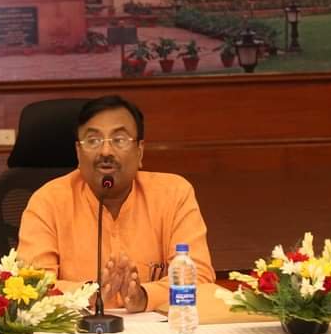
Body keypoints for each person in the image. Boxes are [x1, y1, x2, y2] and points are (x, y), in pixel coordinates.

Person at [17, 95, 215, 313]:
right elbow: (30, 286)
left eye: (119, 140)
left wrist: (144, 296)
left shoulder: (173, 194)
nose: (106, 152)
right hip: (78, 329)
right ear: (78, 153)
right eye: (93, 140)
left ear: (140, 151)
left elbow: (199, 277)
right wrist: (88, 295)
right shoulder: (48, 201)